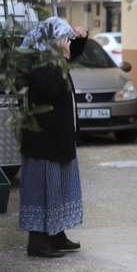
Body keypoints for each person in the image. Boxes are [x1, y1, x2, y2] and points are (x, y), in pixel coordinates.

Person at [18, 17, 88, 258]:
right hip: (42, 141)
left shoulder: (49, 56)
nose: (65, 44)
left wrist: (82, 36)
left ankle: (56, 235)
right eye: (62, 39)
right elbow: (52, 87)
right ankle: (37, 243)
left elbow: (73, 54)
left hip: (58, 137)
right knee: (42, 190)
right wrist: (63, 57)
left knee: (59, 188)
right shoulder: (33, 61)